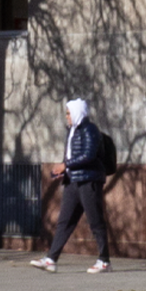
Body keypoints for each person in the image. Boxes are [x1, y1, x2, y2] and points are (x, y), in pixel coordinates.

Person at [30, 97, 111, 273]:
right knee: (65, 222)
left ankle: (104, 261)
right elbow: (70, 156)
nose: (66, 116)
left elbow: (88, 155)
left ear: (77, 113)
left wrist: (66, 165)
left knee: (95, 221)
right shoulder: (72, 131)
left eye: (68, 113)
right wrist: (63, 170)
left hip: (89, 181)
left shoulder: (90, 130)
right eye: (66, 113)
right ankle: (51, 259)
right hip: (73, 181)